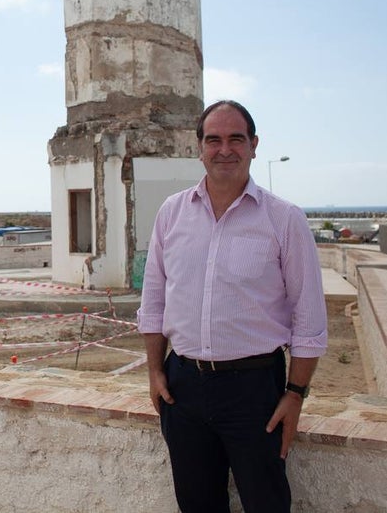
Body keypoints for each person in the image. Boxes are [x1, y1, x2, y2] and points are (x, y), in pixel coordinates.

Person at [137, 100, 327, 513]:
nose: (225, 149)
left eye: (236, 139)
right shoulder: (171, 213)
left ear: (254, 145)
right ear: (199, 147)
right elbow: (153, 301)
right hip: (182, 390)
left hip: (254, 391)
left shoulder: (285, 219)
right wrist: (154, 371)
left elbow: (309, 320)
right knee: (196, 504)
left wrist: (295, 394)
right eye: (214, 139)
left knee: (266, 504)